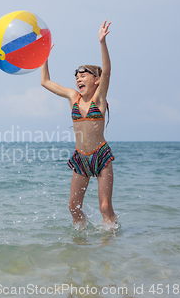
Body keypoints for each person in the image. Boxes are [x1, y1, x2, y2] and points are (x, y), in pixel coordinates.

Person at [41, 21, 117, 229]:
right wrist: (44, 56)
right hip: (80, 157)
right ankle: (81, 241)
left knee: (104, 207)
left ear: (97, 80)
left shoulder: (99, 99)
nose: (78, 79)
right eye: (76, 77)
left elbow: (108, 70)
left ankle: (110, 240)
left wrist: (102, 42)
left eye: (83, 76)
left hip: (100, 156)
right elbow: (45, 82)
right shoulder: (73, 97)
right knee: (73, 207)